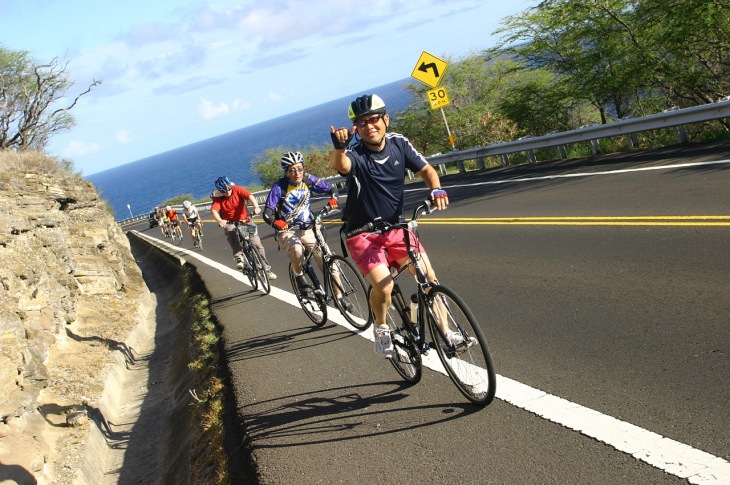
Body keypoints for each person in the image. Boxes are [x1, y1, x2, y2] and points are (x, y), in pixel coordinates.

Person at [329, 93, 450, 358]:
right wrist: (339, 148)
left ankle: (447, 333)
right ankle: (382, 327)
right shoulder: (355, 153)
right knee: (384, 287)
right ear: (356, 129)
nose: (369, 126)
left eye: (374, 119)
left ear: (386, 119)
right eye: (362, 123)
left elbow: (427, 170)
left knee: (428, 278)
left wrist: (437, 189)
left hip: (395, 228)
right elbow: (341, 165)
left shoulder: (399, 144)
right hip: (362, 234)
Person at [262, 151, 352, 310]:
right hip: (288, 230)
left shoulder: (308, 179)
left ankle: (339, 296)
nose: (297, 173)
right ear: (286, 172)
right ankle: (298, 275)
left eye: (299, 168)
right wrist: (277, 222)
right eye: (292, 170)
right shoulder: (279, 187)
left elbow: (332, 189)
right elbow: (267, 213)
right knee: (297, 251)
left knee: (327, 261)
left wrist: (333, 199)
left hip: (309, 227)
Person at [210, 176, 277, 279]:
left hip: (244, 219)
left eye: (228, 189)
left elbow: (249, 196)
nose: (227, 192)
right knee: (231, 231)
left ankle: (266, 269)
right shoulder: (218, 197)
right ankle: (239, 257)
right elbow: (214, 210)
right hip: (229, 221)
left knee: (257, 244)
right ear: (220, 191)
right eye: (224, 191)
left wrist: (256, 207)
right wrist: (220, 220)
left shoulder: (236, 189)